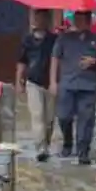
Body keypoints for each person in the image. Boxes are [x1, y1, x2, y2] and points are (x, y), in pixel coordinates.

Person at [50, 10, 96, 164]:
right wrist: (53, 82)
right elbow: (55, 59)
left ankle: (83, 151)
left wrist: (95, 61)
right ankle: (68, 143)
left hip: (88, 86)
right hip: (67, 85)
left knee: (86, 120)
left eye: (83, 19)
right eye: (77, 19)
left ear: (88, 21)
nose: (79, 22)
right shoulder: (64, 38)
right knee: (63, 116)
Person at [16, 9, 58, 161]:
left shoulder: (54, 39)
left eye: (43, 18)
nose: (40, 21)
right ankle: (40, 148)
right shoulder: (27, 40)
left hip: (50, 83)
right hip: (33, 82)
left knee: (50, 119)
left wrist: (55, 82)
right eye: (37, 18)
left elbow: (58, 60)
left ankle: (46, 144)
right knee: (37, 115)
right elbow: (22, 61)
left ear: (48, 20)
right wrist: (19, 82)